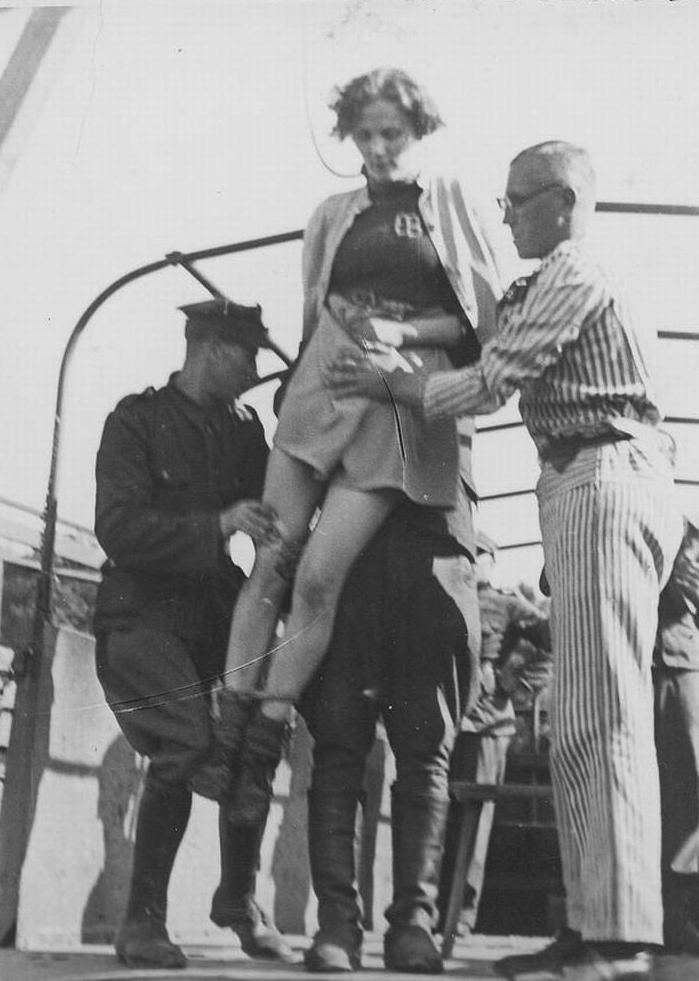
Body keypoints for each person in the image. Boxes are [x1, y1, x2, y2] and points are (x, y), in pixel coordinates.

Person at [328, 141, 684, 981]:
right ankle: (595, 924)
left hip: (603, 469)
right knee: (587, 713)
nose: (505, 215)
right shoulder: (555, 277)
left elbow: (490, 380)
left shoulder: (573, 268)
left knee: (601, 715)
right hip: (584, 475)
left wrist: (396, 383)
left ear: (562, 201)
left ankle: (615, 941)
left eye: (516, 201)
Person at [216, 67, 505, 831]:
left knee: (317, 579)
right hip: (321, 386)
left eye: (392, 134)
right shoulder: (331, 214)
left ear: (419, 132)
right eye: (365, 135)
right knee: (271, 561)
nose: (378, 149)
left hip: (391, 400)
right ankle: (227, 733)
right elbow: (313, 312)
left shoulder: (450, 203)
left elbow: (480, 325)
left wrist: (402, 329)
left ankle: (263, 742)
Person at [93, 299, 294, 969]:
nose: (254, 371)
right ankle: (141, 921)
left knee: (252, 738)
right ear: (209, 348)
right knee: (186, 740)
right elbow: (117, 529)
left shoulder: (244, 430)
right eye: (247, 356)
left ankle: (238, 900)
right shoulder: (136, 420)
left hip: (214, 613)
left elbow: (278, 507)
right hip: (140, 614)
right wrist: (218, 525)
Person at [298, 424, 483, 975]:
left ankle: (414, 922)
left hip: (437, 541)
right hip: (348, 548)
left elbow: (475, 384)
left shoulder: (454, 361)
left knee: (427, 749)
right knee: (337, 743)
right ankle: (336, 922)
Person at [437, 532, 551, 938]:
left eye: (479, 554)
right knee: (431, 816)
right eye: (465, 552)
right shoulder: (440, 596)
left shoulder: (506, 604)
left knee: (474, 821)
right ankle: (422, 911)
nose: (470, 560)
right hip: (439, 723)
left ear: (491, 561)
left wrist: (510, 681)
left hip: (485, 726)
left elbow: (551, 640)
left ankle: (459, 916)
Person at [654, 517, 699, 954]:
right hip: (618, 662)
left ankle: (680, 913)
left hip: (675, 664)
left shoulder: (685, 529)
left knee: (684, 788)